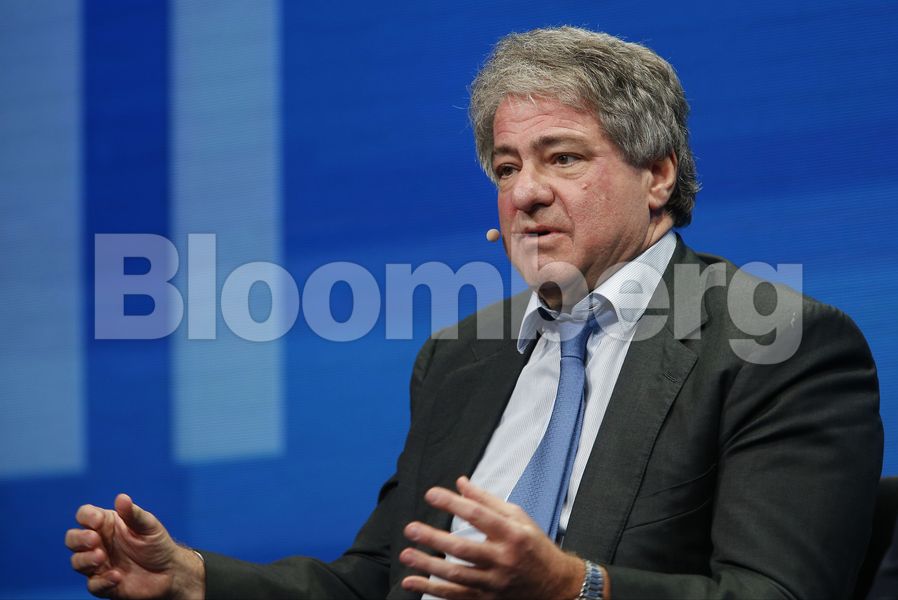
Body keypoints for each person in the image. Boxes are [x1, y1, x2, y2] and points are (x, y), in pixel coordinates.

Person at [66, 27, 883, 599]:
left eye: (563, 158)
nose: (526, 193)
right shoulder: (462, 356)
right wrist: (193, 579)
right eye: (506, 166)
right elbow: (376, 582)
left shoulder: (774, 342)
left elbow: (777, 594)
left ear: (659, 175)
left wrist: (573, 588)